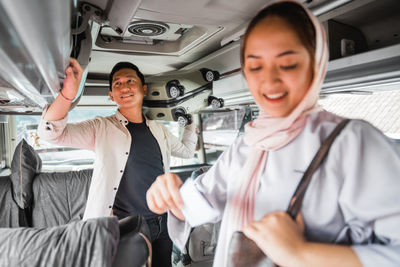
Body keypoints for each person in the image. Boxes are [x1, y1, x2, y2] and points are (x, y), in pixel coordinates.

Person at [146, 1, 400, 266]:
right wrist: (168, 194)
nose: (269, 81)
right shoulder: (247, 144)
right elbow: (199, 204)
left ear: (316, 64)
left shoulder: (353, 143)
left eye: (288, 63)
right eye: (256, 67)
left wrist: (301, 254)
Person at [38, 60, 197, 267]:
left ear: (143, 88)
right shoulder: (101, 127)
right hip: (128, 225)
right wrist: (68, 94)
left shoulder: (159, 129)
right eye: (117, 84)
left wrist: (191, 121)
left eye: (130, 81)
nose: (124, 87)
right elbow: (51, 134)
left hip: (164, 222)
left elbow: (185, 150)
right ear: (111, 95)